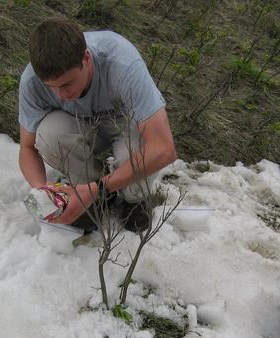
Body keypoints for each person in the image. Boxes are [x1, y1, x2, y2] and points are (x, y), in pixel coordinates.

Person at [18, 17, 177, 231]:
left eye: (67, 83)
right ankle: (90, 198)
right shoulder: (31, 82)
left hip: (126, 123)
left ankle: (133, 199)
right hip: (80, 126)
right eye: (52, 87)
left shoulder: (121, 64)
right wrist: (42, 191)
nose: (62, 94)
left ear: (86, 58)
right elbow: (27, 147)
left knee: (137, 156)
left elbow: (164, 148)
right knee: (48, 135)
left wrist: (100, 187)